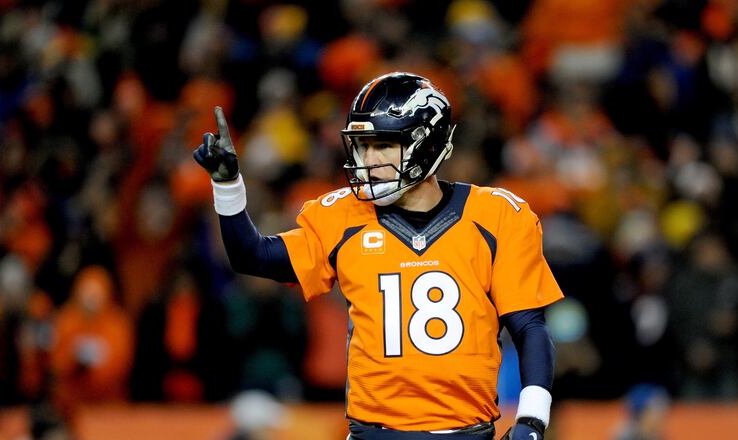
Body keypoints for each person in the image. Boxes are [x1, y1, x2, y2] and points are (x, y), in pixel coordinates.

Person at [194, 72, 564, 440]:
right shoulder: (342, 216)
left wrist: (532, 420)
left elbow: (529, 327)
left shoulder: (497, 216)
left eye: (383, 145)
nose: (368, 159)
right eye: (362, 146)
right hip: (373, 433)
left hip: (467, 431)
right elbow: (252, 257)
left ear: (426, 142)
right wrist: (228, 186)